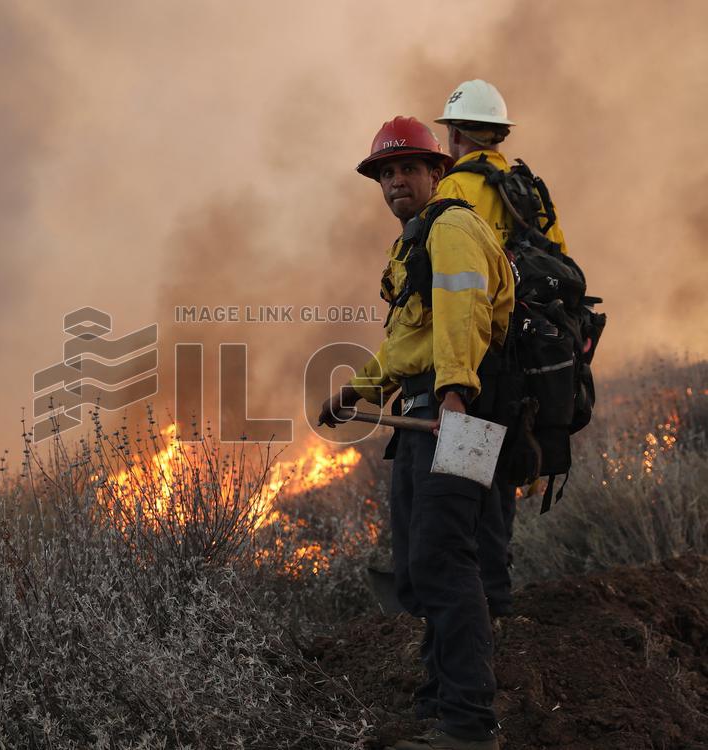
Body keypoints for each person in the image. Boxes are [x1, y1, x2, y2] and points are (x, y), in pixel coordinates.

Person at [318, 115, 514, 750]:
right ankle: (439, 704)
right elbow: (410, 340)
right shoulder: (414, 242)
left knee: (445, 561)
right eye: (386, 172)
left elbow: (463, 312)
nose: (396, 181)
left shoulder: (453, 226)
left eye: (408, 168)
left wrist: (455, 394)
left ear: (437, 172)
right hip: (428, 413)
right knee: (418, 567)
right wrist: (360, 390)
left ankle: (467, 727)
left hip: (457, 414)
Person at [434, 79, 571, 619]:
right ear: (498, 134)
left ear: (455, 136)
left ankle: (477, 604)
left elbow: (445, 285)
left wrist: (449, 374)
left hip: (480, 357)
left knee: (466, 481)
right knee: (503, 474)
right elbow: (564, 266)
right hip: (531, 360)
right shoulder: (530, 190)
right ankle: (500, 591)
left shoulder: (453, 192)